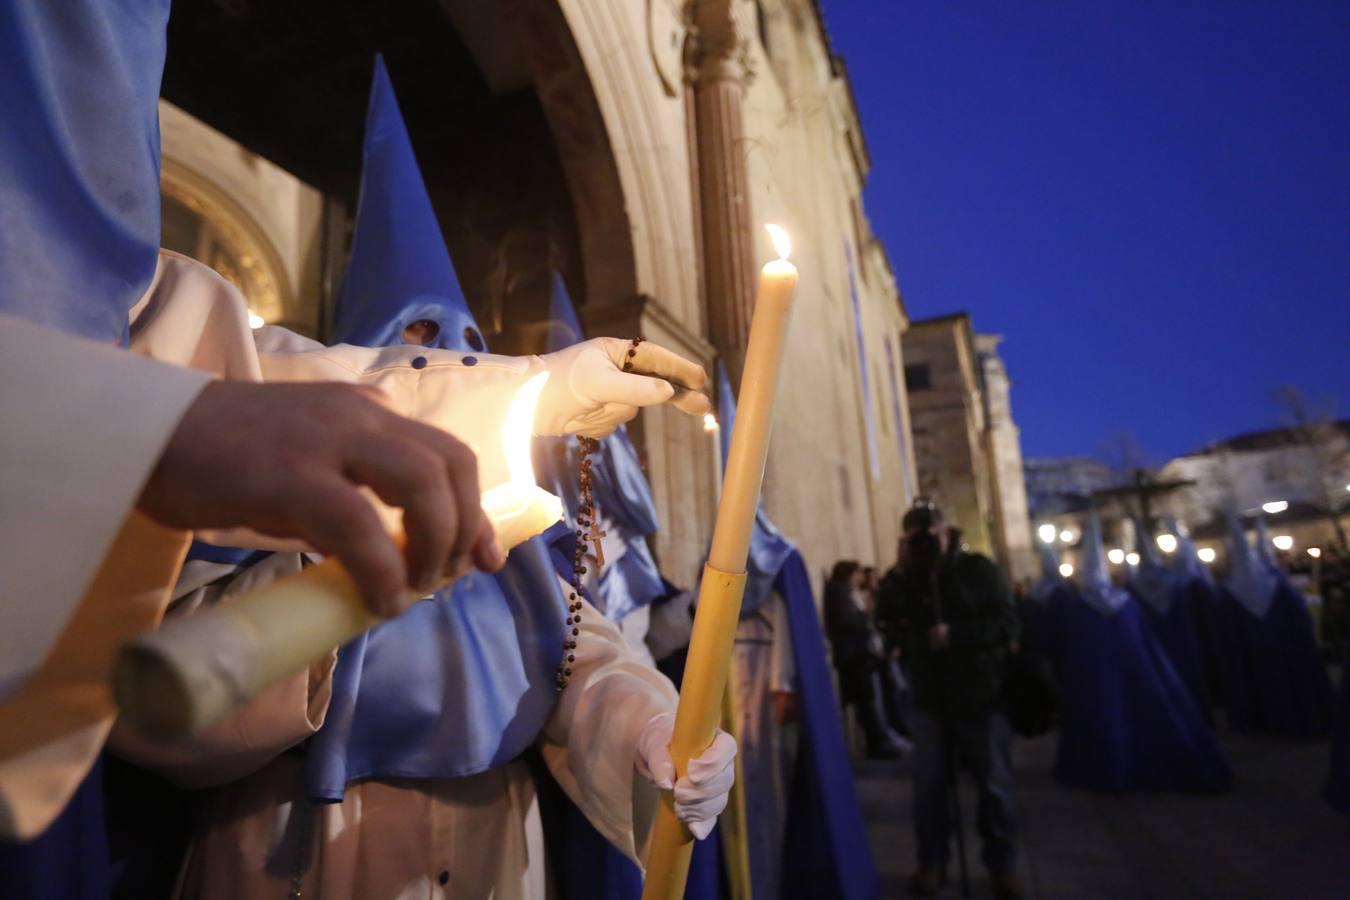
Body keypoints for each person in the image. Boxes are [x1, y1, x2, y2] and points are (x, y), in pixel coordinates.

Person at [104, 59, 733, 899]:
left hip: (495, 843)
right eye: (418, 337)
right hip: (297, 846)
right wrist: (340, 584)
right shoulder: (270, 502)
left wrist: (654, 731)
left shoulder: (520, 528)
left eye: (464, 340)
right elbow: (160, 702)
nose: (449, 358)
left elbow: (587, 662)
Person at [876, 501, 1022, 900]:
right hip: (929, 698)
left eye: (929, 536)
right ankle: (933, 862)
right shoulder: (908, 577)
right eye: (915, 539)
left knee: (994, 786)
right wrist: (900, 568)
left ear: (947, 531)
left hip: (979, 695)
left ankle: (1002, 865)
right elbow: (885, 615)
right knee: (928, 788)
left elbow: (1007, 623)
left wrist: (956, 634)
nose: (924, 544)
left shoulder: (979, 570)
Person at [824, 561, 907, 758]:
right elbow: (850, 621)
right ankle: (877, 743)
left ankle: (882, 739)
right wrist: (866, 614)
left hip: (861, 657)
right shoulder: (839, 593)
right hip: (855, 658)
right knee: (868, 703)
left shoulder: (846, 592)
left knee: (872, 701)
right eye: (856, 574)